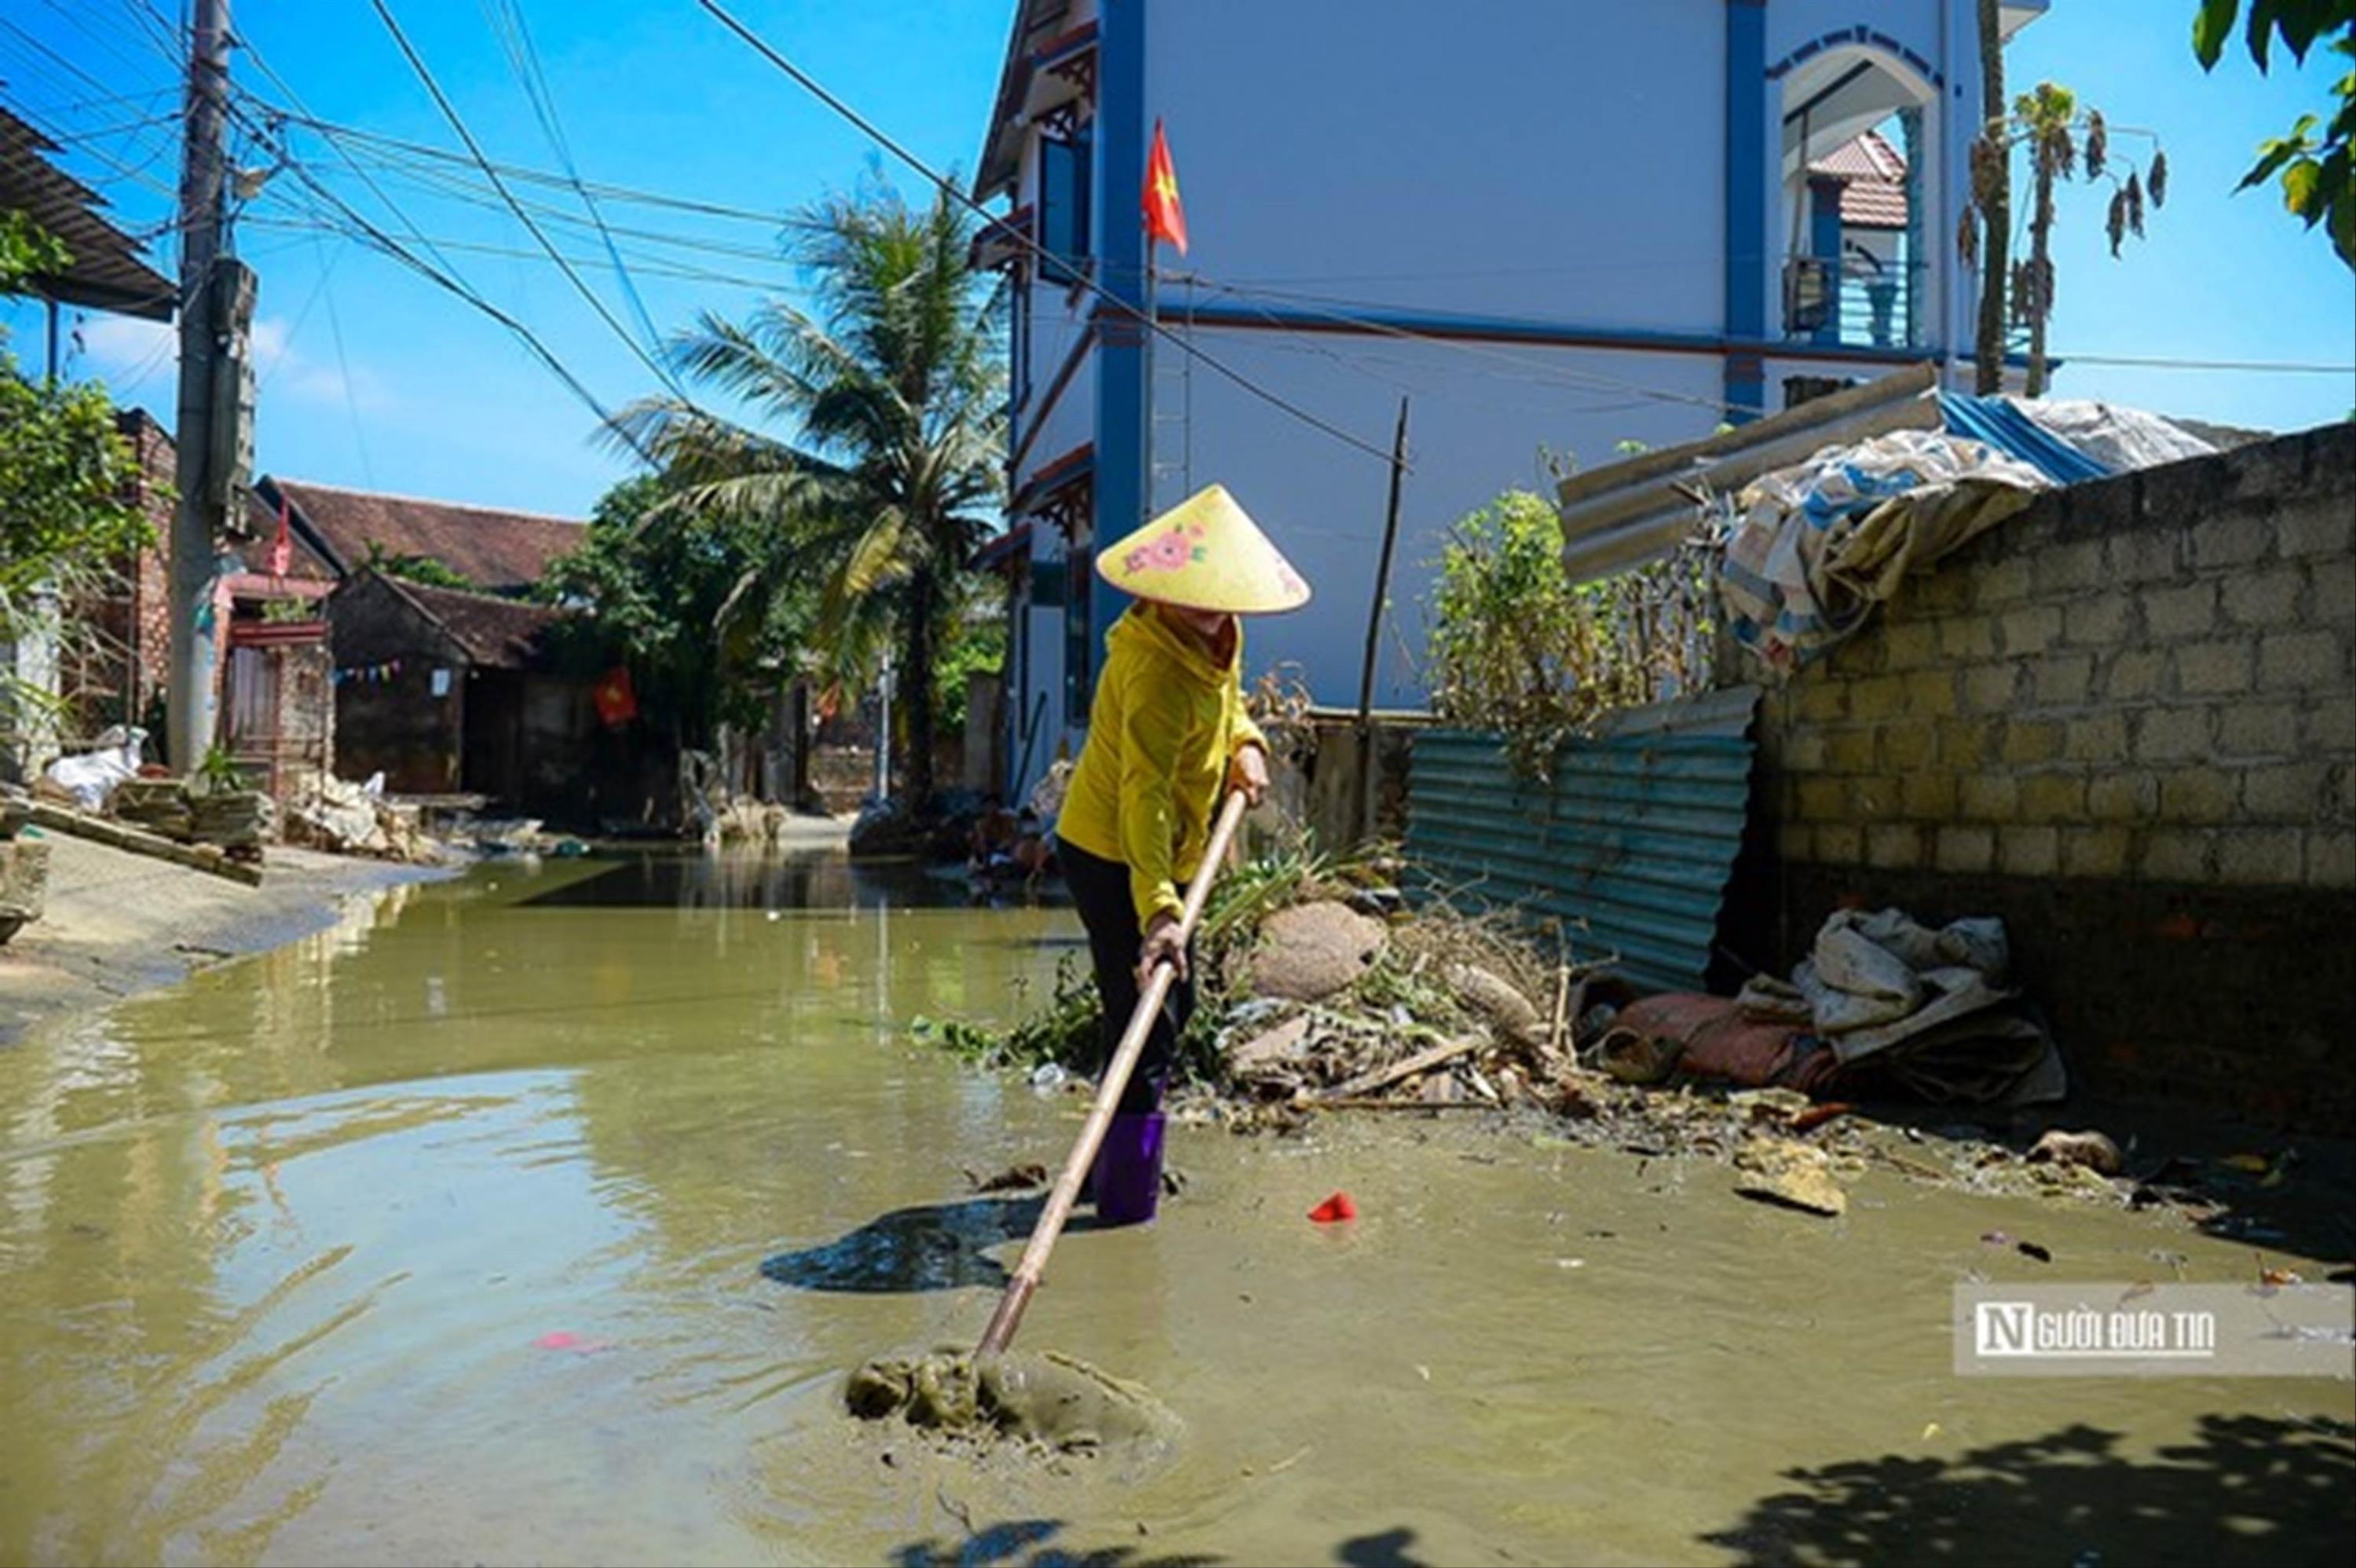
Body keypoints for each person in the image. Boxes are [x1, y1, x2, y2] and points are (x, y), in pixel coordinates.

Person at [1053, 484, 1312, 1223]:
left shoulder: (1219, 634)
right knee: (1149, 1015)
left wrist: (1247, 742)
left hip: (1165, 848)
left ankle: (1116, 1171)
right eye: (1193, 596)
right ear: (1163, 590)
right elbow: (1146, 796)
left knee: (1171, 1004)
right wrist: (1161, 912)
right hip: (1110, 850)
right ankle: (1124, 1204)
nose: (1208, 607)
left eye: (1219, 595)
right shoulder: (1151, 671)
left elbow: (1226, 701)